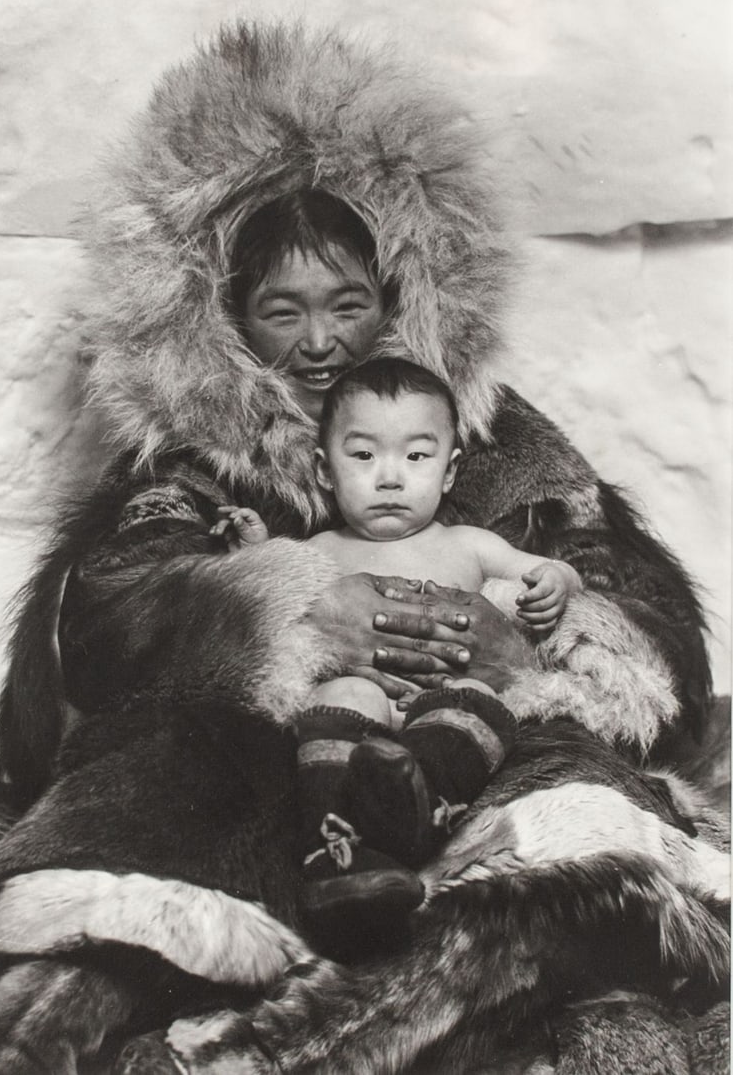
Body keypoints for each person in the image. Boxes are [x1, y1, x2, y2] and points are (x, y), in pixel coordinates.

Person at [0, 21, 724, 1074]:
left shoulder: (487, 441)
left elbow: (635, 615)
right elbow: (90, 638)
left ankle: (363, 1014)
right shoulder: (193, 466)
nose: (320, 342)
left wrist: (542, 654)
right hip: (281, 783)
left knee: (563, 823)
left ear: (401, 299)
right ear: (225, 318)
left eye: (347, 304)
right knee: (162, 792)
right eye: (283, 309)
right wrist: (279, 605)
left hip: (471, 748)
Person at [213, 357, 583, 944]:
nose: (390, 477)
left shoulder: (470, 544)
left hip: (441, 710)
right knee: (341, 692)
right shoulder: (320, 547)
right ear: (325, 470)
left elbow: (545, 570)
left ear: (450, 469)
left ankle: (422, 797)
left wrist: (556, 580)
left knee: (480, 699)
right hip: (362, 714)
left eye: (416, 457)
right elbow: (273, 604)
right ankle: (335, 848)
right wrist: (253, 554)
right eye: (363, 456)